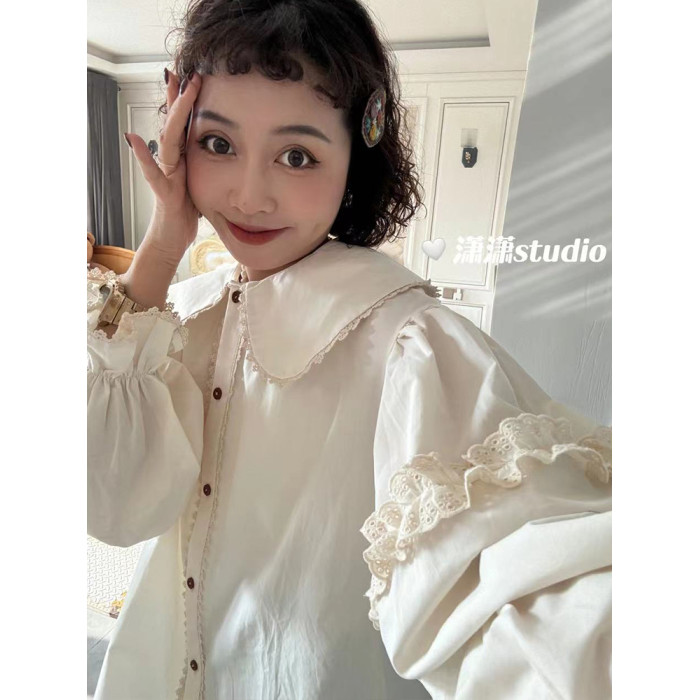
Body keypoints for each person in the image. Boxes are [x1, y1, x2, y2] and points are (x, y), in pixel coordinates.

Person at [87, 1, 612, 698]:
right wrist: (161, 245)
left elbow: (511, 582)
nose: (250, 195)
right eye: (217, 143)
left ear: (353, 162)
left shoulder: (410, 345)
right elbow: (114, 507)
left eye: (297, 155)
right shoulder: (174, 314)